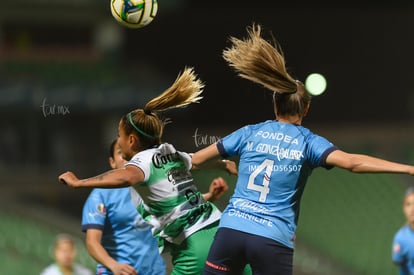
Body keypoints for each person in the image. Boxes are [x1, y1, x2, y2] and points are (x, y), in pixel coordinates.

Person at [189, 24, 414, 275]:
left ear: (275, 105)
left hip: (231, 230)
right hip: (272, 238)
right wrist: (407, 168)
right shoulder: (309, 142)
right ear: (306, 110)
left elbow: (196, 160)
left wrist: (221, 163)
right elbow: (352, 163)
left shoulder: (249, 132)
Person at [58, 67, 244, 275]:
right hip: (223, 231)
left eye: (119, 136)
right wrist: (220, 164)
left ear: (131, 140)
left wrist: (79, 182)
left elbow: (125, 177)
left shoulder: (142, 162)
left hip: (193, 245)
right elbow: (195, 161)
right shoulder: (168, 151)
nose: (118, 140)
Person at [81, 139, 166, 275]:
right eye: (121, 153)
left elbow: (177, 206)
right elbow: (92, 243)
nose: (127, 157)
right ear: (112, 162)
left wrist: (209, 195)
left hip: (155, 271)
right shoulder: (100, 194)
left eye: (132, 152)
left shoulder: (153, 187)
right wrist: (114, 266)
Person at [392, 187, 414, 275]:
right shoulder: (401, 238)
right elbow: (399, 262)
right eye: (408, 204)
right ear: (404, 208)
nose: (412, 209)